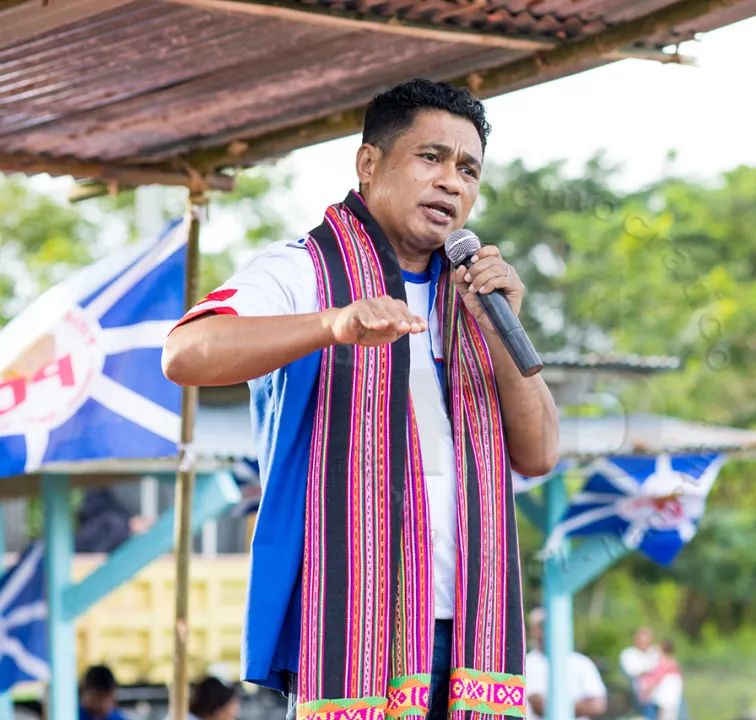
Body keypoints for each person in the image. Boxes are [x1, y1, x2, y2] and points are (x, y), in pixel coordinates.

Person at [163, 78, 560, 720]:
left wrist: (498, 328)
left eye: (468, 170)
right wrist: (333, 324)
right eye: (431, 157)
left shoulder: (475, 293)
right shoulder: (305, 268)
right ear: (368, 164)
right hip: (354, 624)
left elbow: (539, 454)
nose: (451, 182)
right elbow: (185, 352)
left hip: (471, 630)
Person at [524, 609, 607, 720]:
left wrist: (556, 706)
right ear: (533, 630)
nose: (549, 629)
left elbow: (597, 705)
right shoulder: (525, 664)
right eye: (543, 625)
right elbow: (538, 706)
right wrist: (580, 705)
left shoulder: (581, 662)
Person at [637, 640, 682, 720]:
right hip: (668, 700)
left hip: (664, 700)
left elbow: (656, 678)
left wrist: (646, 690)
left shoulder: (665, 663)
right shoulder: (673, 662)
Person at [620, 627, 660, 716]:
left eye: (648, 642)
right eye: (643, 641)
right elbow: (632, 672)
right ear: (636, 640)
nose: (646, 644)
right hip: (641, 696)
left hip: (661, 695)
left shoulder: (655, 651)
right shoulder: (629, 654)